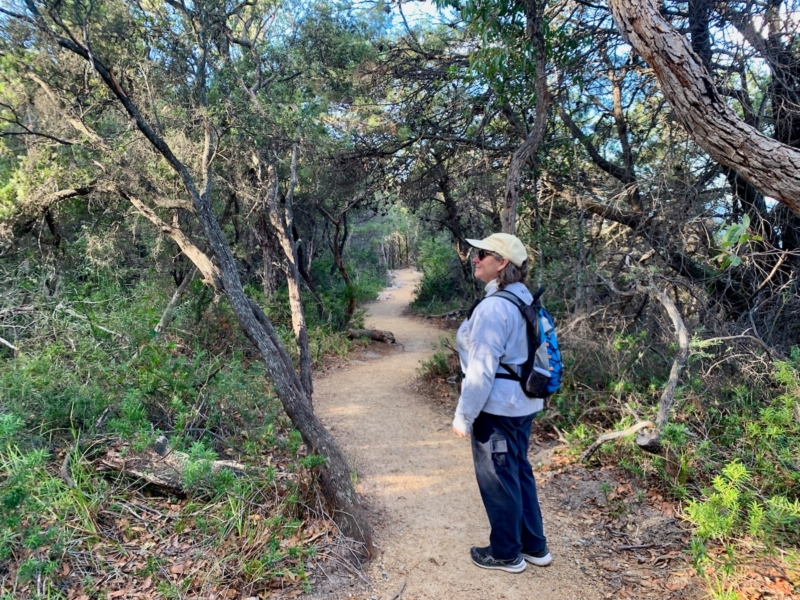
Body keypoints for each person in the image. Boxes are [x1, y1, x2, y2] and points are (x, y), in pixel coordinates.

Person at [452, 232, 552, 574]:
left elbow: (481, 369)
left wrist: (464, 416)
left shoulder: (495, 307)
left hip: (496, 408)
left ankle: (506, 553)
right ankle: (534, 546)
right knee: (518, 472)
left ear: (502, 263)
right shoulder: (523, 297)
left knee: (497, 478)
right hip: (523, 403)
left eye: (483, 254)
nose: (475, 258)